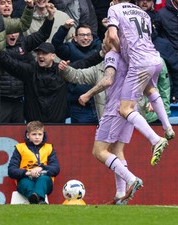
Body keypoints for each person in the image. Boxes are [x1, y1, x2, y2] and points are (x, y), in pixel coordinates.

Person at [59, 49, 144, 204]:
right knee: (117, 150)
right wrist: (65, 70)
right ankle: (120, 194)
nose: (103, 41)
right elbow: (79, 75)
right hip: (129, 109)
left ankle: (131, 179)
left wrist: (88, 94)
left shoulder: (112, 57)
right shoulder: (129, 59)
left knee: (99, 151)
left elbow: (107, 81)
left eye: (106, 36)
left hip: (115, 110)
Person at [107, 0, 174, 166]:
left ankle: (155, 139)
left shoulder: (114, 9)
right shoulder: (142, 12)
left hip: (138, 62)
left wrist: (122, 52)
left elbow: (112, 35)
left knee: (125, 109)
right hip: (155, 58)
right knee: (150, 89)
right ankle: (167, 127)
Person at [0, 38, 104, 123]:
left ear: (53, 56)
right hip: (34, 126)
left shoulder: (62, 70)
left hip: (58, 124)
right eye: (38, 53)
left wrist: (101, 54)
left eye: (44, 53)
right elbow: (11, 64)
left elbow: (85, 62)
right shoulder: (30, 70)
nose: (40, 56)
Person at [0, 0, 55, 123]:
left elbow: (42, 34)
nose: (13, 34)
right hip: (0, 99)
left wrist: (50, 17)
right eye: (9, 32)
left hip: (19, 98)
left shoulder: (24, 44)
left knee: (18, 134)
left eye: (15, 32)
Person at [52, 22, 102, 123]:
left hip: (99, 102)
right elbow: (56, 45)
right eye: (82, 35)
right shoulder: (70, 49)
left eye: (88, 35)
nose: (85, 38)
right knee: (81, 137)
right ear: (75, 38)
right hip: (79, 105)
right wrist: (64, 28)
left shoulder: (100, 48)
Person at [8, 120, 60, 204]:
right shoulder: (20, 148)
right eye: (34, 134)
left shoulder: (49, 148)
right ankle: (39, 200)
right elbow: (11, 170)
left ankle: (35, 197)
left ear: (43, 135)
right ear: (28, 135)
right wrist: (27, 173)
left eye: (40, 134)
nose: (37, 137)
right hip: (25, 178)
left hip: (44, 179)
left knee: (43, 179)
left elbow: (56, 169)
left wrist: (41, 168)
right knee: (25, 183)